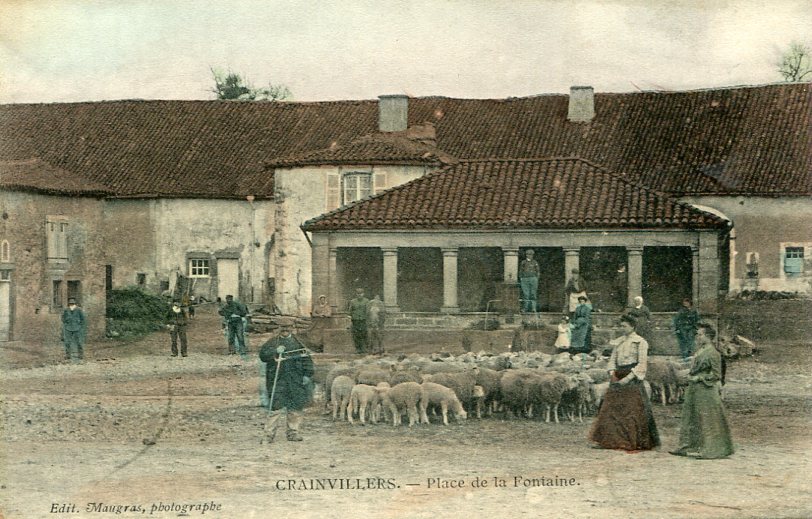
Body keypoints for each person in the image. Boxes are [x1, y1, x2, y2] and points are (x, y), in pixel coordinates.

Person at [589, 314, 660, 451]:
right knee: (611, 408)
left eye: (624, 326)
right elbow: (612, 359)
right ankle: (610, 440)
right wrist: (612, 373)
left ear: (632, 326)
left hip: (631, 378)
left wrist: (627, 379)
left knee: (631, 410)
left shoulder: (641, 342)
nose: (622, 328)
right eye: (621, 326)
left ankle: (630, 440)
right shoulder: (619, 341)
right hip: (617, 375)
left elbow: (642, 363)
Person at [670, 323, 734, 459]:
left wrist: (699, 377)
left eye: (700, 335)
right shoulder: (700, 350)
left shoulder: (714, 353)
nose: (697, 337)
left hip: (706, 390)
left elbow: (717, 375)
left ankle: (709, 449)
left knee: (706, 419)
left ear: (708, 337)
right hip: (694, 389)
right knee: (690, 417)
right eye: (697, 334)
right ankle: (688, 446)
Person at [259, 318, 314, 442]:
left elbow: (307, 359)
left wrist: (307, 375)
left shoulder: (298, 342)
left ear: (292, 328)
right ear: (278, 328)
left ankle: (293, 433)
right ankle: (268, 435)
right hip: (278, 379)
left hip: (295, 379)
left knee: (295, 406)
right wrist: (274, 352)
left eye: (288, 327)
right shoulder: (272, 342)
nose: (285, 330)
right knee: (275, 407)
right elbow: (263, 356)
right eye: (283, 327)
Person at [61, 297, 86, 361]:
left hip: (77, 328)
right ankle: (68, 355)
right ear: (68, 303)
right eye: (70, 303)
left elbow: (83, 319)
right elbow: (63, 318)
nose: (71, 304)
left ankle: (80, 355)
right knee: (67, 342)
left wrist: (80, 326)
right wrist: (66, 322)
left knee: (79, 342)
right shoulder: (66, 310)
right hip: (68, 328)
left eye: (73, 303)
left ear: (75, 303)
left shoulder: (79, 310)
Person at [348, 288, 370, 354]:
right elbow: (350, 311)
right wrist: (350, 318)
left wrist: (368, 319)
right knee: (356, 335)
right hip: (355, 320)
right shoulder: (353, 301)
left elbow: (368, 310)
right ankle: (358, 349)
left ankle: (365, 349)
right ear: (356, 294)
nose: (359, 295)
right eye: (358, 294)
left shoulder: (366, 301)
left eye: (361, 293)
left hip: (363, 319)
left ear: (363, 294)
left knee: (364, 334)